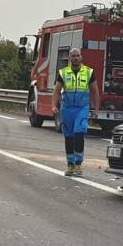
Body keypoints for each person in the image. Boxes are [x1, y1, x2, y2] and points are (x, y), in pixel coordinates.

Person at [53, 48, 98, 176]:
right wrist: (54, 106)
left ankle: (78, 164)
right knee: (69, 137)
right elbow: (56, 91)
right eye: (73, 56)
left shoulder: (89, 72)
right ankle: (70, 164)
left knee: (79, 132)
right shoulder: (63, 73)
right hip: (67, 109)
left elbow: (95, 91)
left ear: (81, 57)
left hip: (81, 108)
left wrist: (95, 109)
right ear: (69, 57)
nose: (76, 58)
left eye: (78, 55)